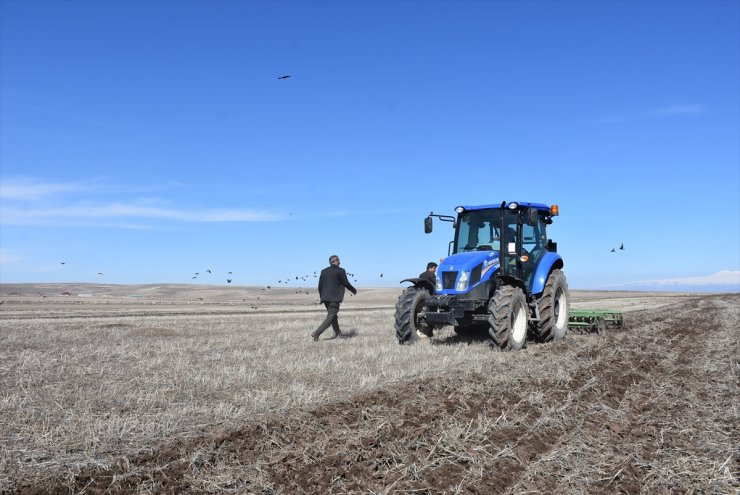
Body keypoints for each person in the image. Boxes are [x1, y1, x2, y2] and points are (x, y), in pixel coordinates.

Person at [311, 255, 357, 341]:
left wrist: (322, 297)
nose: (340, 262)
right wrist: (353, 290)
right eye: (339, 260)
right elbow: (346, 283)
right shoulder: (341, 271)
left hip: (325, 298)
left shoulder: (323, 271)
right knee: (331, 316)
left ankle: (338, 334)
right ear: (336, 261)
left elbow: (320, 286)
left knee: (333, 316)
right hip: (334, 298)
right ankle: (317, 333)